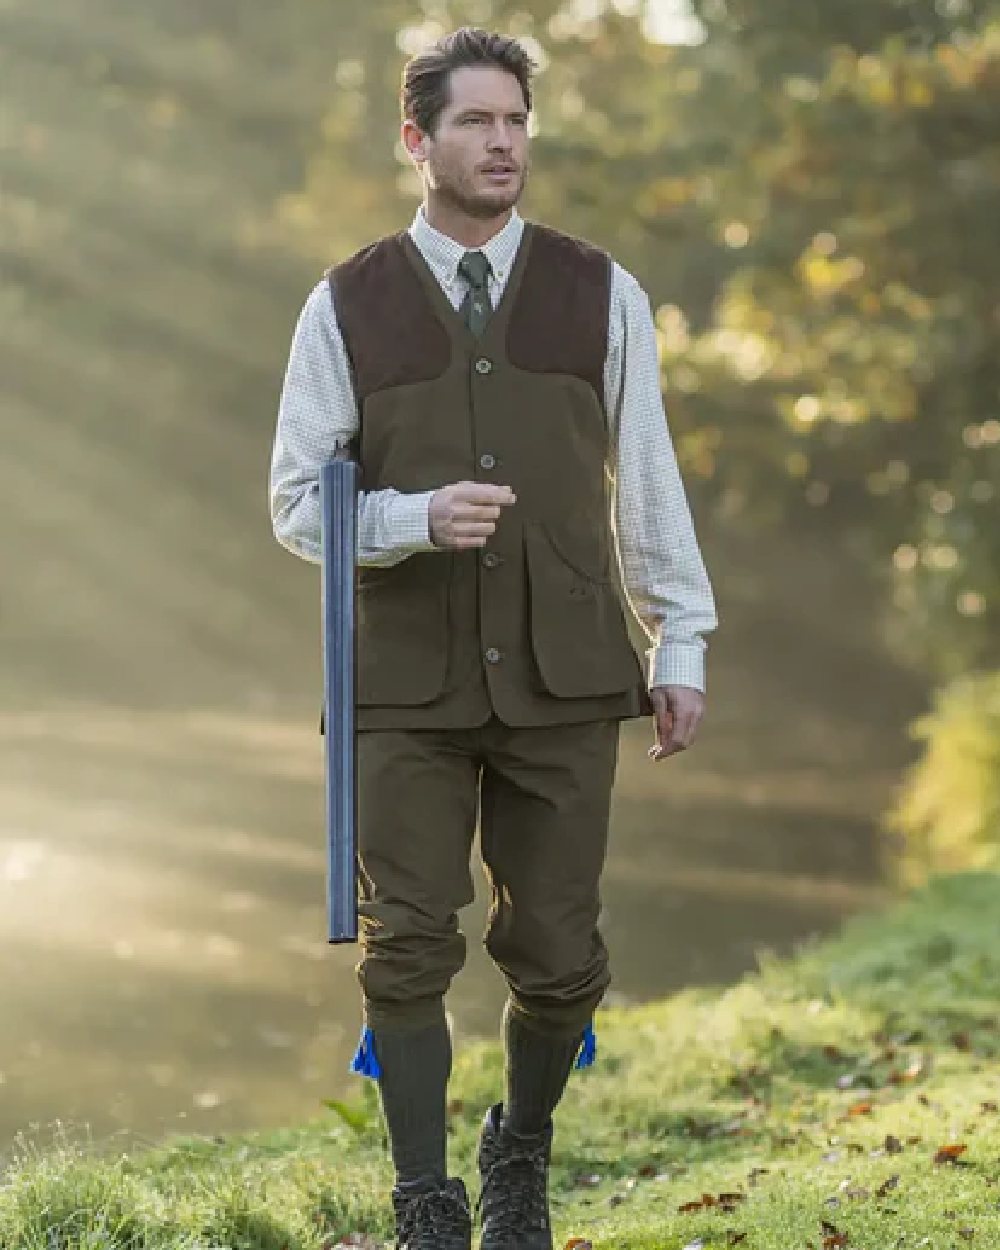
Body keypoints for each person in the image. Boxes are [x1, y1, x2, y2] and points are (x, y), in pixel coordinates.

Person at [269, 25, 717, 1250]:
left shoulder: (600, 292)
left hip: (567, 677)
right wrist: (413, 516)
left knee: (561, 956)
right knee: (406, 942)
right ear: (416, 140)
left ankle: (518, 1145)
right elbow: (297, 502)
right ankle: (425, 1198)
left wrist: (679, 640)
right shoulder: (344, 304)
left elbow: (648, 481)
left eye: (516, 119)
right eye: (475, 121)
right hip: (400, 689)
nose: (503, 141)